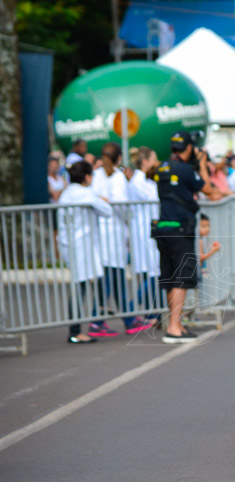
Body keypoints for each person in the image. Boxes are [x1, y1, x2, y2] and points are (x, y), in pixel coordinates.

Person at [154, 131, 212, 343]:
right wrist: (202, 164)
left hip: (163, 227)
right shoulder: (186, 170)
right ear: (188, 148)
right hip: (181, 229)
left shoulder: (163, 167)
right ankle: (174, 328)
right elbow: (209, 190)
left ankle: (175, 324)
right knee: (180, 278)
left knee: (171, 278)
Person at [90, 142, 152, 337]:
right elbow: (121, 206)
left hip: (103, 232)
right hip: (114, 233)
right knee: (111, 280)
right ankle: (98, 320)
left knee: (114, 280)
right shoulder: (117, 177)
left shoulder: (98, 174)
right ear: (118, 158)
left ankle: (126, 319)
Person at [57, 161, 112, 344]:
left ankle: (89, 322)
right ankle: (75, 331)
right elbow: (107, 211)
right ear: (87, 177)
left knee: (82, 285)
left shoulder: (66, 194)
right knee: (80, 288)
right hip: (82, 246)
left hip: (70, 245)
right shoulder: (86, 194)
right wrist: (99, 199)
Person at [126, 147, 162, 312]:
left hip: (149, 228)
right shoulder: (138, 181)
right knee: (152, 271)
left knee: (153, 271)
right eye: (154, 158)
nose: (156, 162)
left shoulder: (147, 180)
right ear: (146, 161)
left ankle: (151, 311)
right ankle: (133, 308)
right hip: (143, 230)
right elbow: (154, 199)